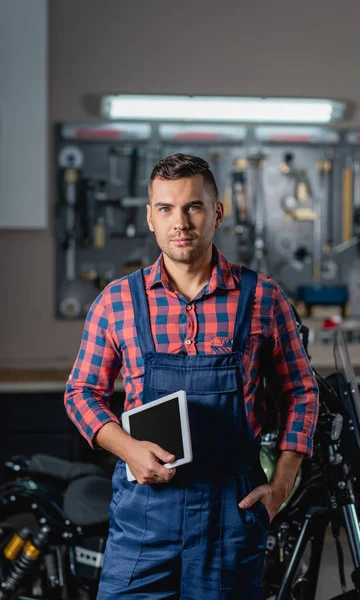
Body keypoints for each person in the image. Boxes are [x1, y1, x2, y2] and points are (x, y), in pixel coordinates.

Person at [64, 153, 319, 600]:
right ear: (150, 217)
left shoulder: (263, 298)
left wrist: (281, 485)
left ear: (217, 212)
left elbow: (301, 391)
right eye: (165, 209)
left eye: (193, 206)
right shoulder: (116, 302)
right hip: (145, 514)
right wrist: (127, 449)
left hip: (230, 516)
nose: (179, 222)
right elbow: (81, 393)